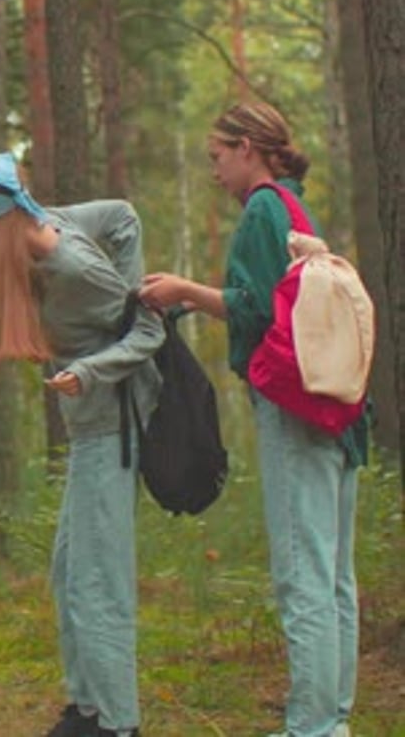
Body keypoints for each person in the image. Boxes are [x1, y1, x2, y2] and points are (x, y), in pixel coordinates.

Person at [139, 102, 364, 737]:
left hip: (298, 411)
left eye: (216, 158)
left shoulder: (266, 206)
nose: (214, 173)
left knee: (303, 577)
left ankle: (313, 728)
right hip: (335, 407)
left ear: (247, 148)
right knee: (333, 578)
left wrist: (183, 291)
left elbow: (259, 307)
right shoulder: (293, 206)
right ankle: (331, 720)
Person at [0, 151, 165, 737]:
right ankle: (87, 707)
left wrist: (93, 367)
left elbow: (148, 329)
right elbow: (123, 216)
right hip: (91, 428)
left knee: (100, 582)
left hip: (113, 425)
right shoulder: (46, 221)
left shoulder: (74, 269)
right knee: (69, 571)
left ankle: (118, 724)